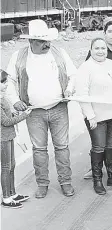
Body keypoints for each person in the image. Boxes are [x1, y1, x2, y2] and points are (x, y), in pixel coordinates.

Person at [6, 19, 76, 199]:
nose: (47, 44)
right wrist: (14, 100)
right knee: (39, 149)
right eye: (42, 41)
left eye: (48, 41)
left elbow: (73, 75)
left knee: (62, 147)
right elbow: (10, 82)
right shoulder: (18, 56)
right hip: (34, 111)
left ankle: (65, 182)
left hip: (59, 108)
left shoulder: (59, 53)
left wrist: (69, 89)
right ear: (31, 41)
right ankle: (42, 183)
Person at [75, 38, 112, 195]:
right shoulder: (85, 68)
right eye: (97, 48)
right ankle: (98, 180)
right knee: (98, 147)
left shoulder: (111, 64)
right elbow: (82, 94)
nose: (100, 51)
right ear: (91, 49)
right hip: (96, 116)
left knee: (110, 146)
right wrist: (90, 116)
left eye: (103, 48)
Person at [84, 21, 112, 179]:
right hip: (99, 106)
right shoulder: (98, 51)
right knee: (98, 139)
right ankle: (96, 167)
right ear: (105, 33)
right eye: (110, 31)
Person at [1, 70, 32, 208]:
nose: (5, 84)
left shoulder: (2, 98)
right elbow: (6, 122)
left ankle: (12, 193)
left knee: (11, 165)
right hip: (2, 138)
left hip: (8, 136)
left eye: (6, 81)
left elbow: (7, 115)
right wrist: (24, 115)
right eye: (2, 82)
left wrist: (14, 112)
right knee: (6, 167)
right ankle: (6, 198)